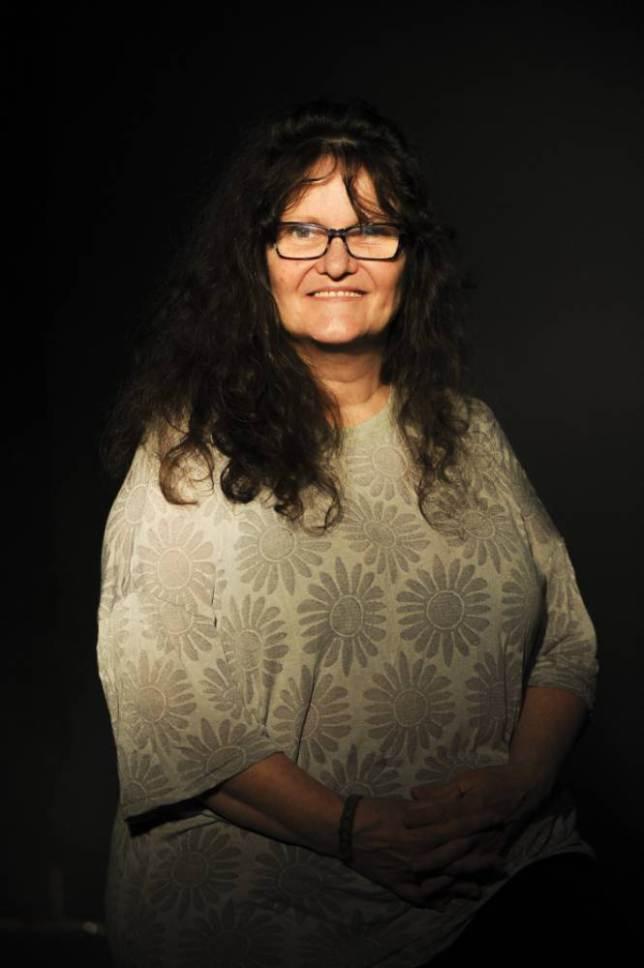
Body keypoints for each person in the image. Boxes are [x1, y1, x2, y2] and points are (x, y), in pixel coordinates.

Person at [97, 100, 599, 967]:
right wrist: (352, 829)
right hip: (267, 908)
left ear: (410, 257)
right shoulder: (186, 453)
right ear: (257, 259)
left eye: (370, 229)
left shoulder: (470, 434)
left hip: (494, 880)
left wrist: (519, 785)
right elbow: (167, 711)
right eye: (302, 231)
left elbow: (566, 643)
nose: (337, 259)